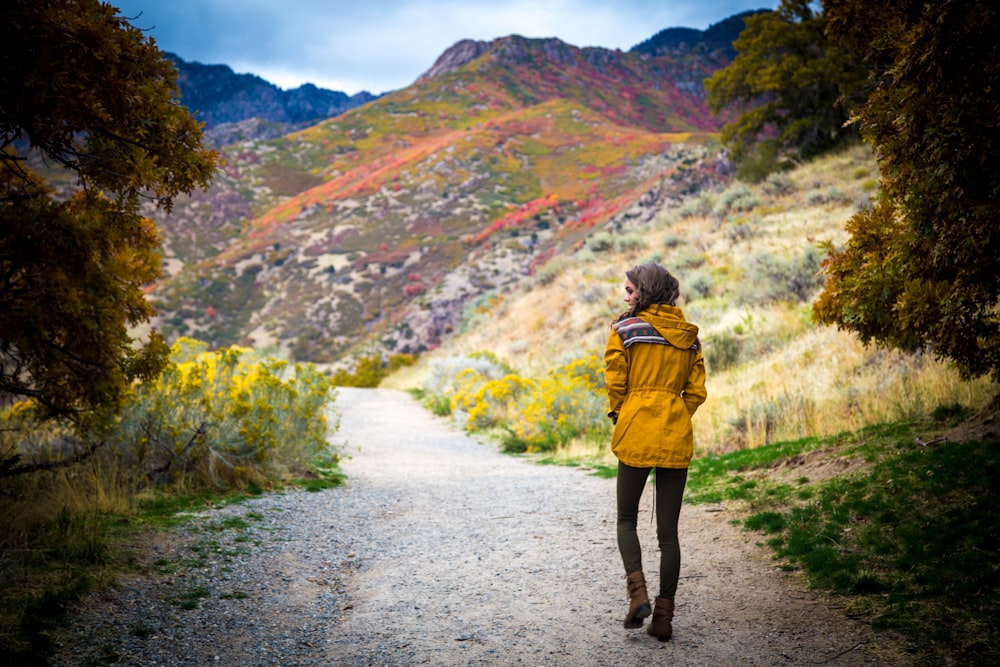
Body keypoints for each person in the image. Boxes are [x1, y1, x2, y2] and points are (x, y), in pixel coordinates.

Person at [604, 262, 707, 641]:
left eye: (630, 290)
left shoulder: (625, 330)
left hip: (636, 431)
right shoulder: (689, 337)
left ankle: (638, 596)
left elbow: (616, 380)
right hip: (675, 434)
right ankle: (663, 618)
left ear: (645, 291)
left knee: (626, 520)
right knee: (669, 535)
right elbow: (696, 391)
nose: (625, 296)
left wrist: (622, 413)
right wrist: (677, 413)